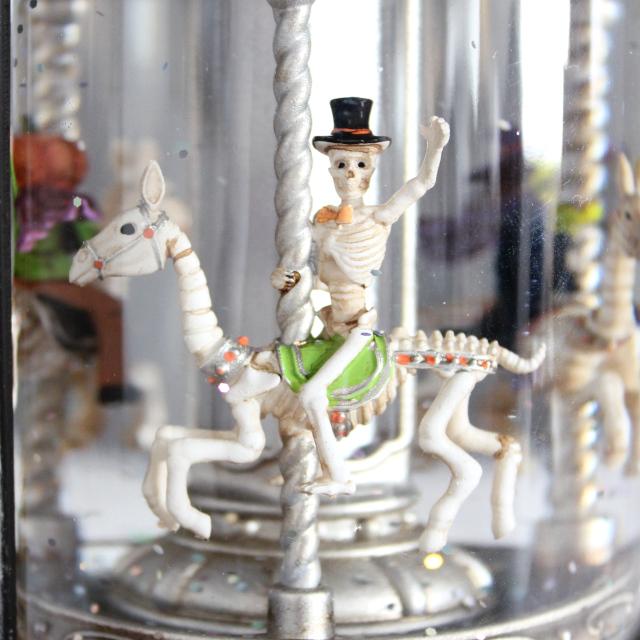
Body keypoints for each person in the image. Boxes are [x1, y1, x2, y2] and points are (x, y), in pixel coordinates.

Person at [272, 97, 450, 494]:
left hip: (358, 329)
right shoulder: (321, 224)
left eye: (360, 165)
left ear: (371, 170)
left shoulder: (378, 218)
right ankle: (300, 457)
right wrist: (288, 279)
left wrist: (435, 147)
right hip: (328, 326)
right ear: (331, 170)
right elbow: (318, 282)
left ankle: (339, 476)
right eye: (341, 164)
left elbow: (421, 184)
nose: (350, 172)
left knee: (313, 393)